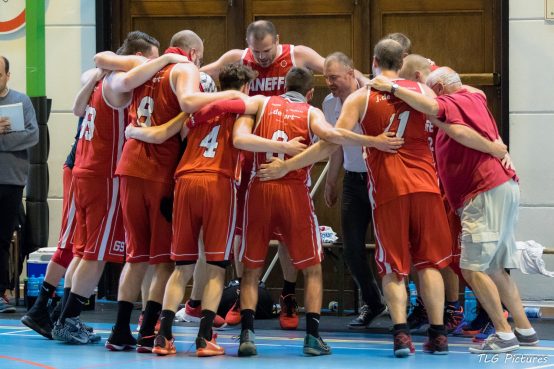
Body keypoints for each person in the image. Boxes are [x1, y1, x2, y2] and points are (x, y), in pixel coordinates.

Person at [258, 40, 492, 358]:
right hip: (427, 185)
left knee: (393, 269)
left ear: (374, 61)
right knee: (430, 265)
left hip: (390, 189)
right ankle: (438, 334)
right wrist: (494, 148)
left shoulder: (362, 97)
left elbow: (330, 142)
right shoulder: (425, 93)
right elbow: (455, 125)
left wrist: (287, 165)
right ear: (404, 61)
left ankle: (401, 335)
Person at [202, 20, 370, 329]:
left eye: (267, 51)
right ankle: (245, 296)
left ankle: (288, 297)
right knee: (242, 238)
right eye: (257, 52)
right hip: (255, 168)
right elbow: (205, 73)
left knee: (291, 243)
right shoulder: (242, 69)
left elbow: (338, 69)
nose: (263, 58)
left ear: (278, 40)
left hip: (288, 168)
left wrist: (366, 83)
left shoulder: (297, 56)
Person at [368, 66, 538, 354]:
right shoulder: (474, 97)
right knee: (496, 267)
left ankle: (504, 332)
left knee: (471, 269)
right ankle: (525, 329)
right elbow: (463, 100)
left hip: (483, 190)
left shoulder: (450, 103)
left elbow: (451, 123)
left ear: (441, 90)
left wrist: (394, 88)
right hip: (502, 187)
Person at [233, 66, 400, 357]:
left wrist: (274, 147)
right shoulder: (311, 113)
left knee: (251, 269)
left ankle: (247, 334)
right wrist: (373, 141)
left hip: (259, 188)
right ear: (310, 92)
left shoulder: (260, 102)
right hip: (294, 192)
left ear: (282, 87)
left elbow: (239, 139)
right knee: (312, 269)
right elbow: (334, 138)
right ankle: (312, 337)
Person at [103, 30, 244, 353]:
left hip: (129, 165)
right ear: (193, 53)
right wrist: (234, 96)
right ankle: (153, 332)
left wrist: (135, 130)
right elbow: (185, 108)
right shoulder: (186, 71)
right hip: (164, 171)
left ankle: (121, 329)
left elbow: (111, 81)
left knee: (136, 256)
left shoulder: (145, 68)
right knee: (169, 261)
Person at [51, 31, 185, 345]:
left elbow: (76, 107)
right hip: (105, 173)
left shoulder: (98, 77)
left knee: (84, 251)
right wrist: (166, 60)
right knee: (98, 254)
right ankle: (67, 319)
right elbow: (124, 79)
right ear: (138, 58)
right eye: (149, 59)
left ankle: (62, 316)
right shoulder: (118, 81)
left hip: (85, 169)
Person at [322, 52, 387, 329]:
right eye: (326, 78)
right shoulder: (328, 103)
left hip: (381, 180)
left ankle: (407, 306)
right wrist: (331, 180)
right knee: (351, 248)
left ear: (351, 73)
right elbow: (335, 143)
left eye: (334, 77)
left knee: (390, 247)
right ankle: (373, 302)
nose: (329, 83)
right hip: (352, 180)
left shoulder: (373, 95)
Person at [0, 55, 39, 313]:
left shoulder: (21, 101)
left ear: (8, 75)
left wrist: (4, 139)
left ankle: (3, 290)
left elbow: (32, 135)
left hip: (11, 181)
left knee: (2, 237)